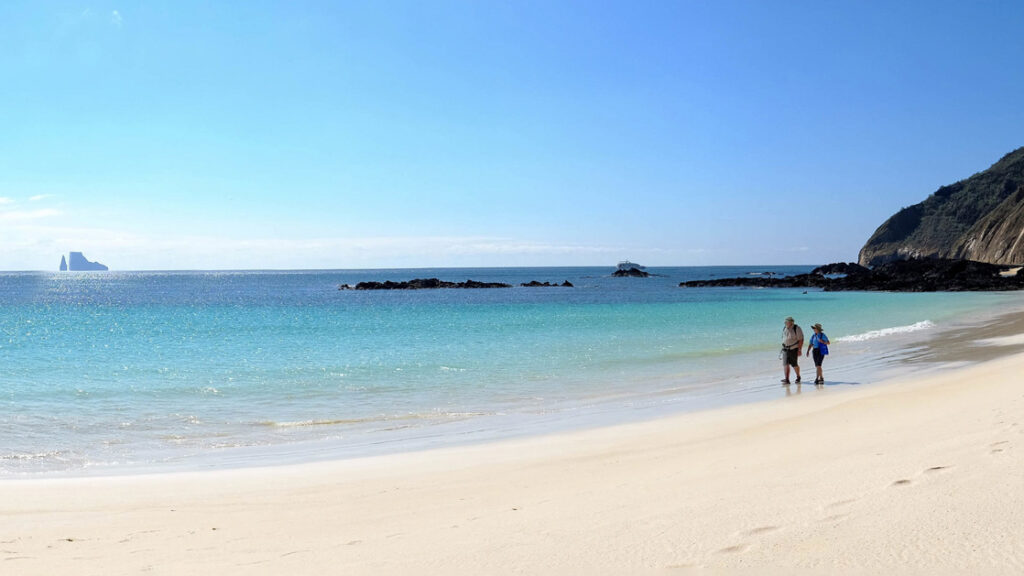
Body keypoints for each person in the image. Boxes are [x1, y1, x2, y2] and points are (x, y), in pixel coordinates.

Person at [780, 316, 803, 385]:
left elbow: (801, 340)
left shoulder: (797, 328)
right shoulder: (785, 328)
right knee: (785, 364)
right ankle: (787, 379)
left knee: (794, 364)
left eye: (786, 321)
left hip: (793, 349)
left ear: (791, 322)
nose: (785, 323)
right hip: (785, 349)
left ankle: (798, 377)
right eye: (785, 321)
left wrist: (799, 350)